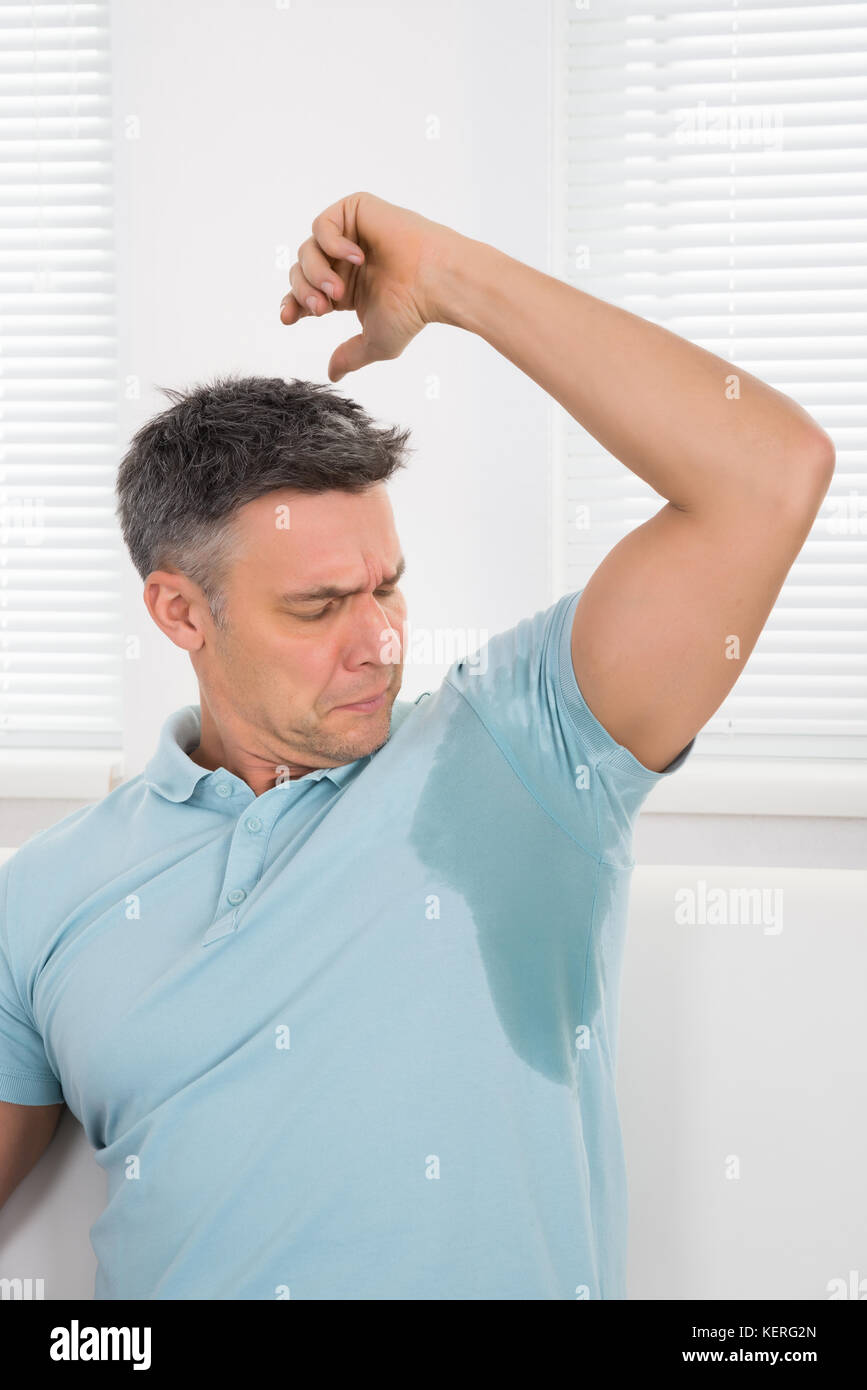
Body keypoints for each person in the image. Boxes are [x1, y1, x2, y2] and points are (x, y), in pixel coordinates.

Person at [0, 192, 833, 1300]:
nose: (381, 642)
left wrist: (453, 282)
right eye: (320, 606)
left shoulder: (529, 750)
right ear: (180, 612)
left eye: (389, 586)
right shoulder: (48, 894)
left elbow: (769, 475)